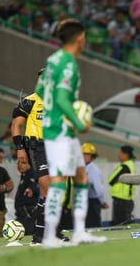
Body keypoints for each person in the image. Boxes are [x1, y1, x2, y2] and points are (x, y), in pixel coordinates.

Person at [34, 18, 106, 247]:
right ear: (80, 39)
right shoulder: (68, 63)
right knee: (58, 181)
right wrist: (79, 121)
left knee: (81, 177)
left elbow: (39, 89)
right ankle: (49, 236)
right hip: (60, 130)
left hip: (56, 126)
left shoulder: (52, 60)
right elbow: (64, 98)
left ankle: (80, 232)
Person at [11, 68, 69, 245]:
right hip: (39, 148)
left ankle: (50, 233)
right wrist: (20, 149)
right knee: (47, 189)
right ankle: (40, 235)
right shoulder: (28, 102)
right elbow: (16, 125)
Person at [82, 143, 109, 228]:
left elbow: (98, 189)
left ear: (92, 156)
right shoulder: (83, 168)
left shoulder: (93, 170)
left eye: (86, 154)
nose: (84, 156)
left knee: (93, 226)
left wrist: (102, 202)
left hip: (93, 202)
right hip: (85, 201)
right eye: (82, 154)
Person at [107, 145, 136, 225]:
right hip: (128, 199)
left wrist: (116, 181)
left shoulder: (124, 166)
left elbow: (110, 180)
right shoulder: (131, 165)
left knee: (119, 224)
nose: (119, 155)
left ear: (127, 155)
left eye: (121, 153)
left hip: (121, 200)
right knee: (125, 223)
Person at [14, 159, 39, 235]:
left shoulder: (32, 174)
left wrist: (31, 189)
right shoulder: (24, 176)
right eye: (18, 163)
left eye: (24, 163)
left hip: (27, 214)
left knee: (27, 235)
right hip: (21, 214)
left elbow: (35, 184)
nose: (20, 165)